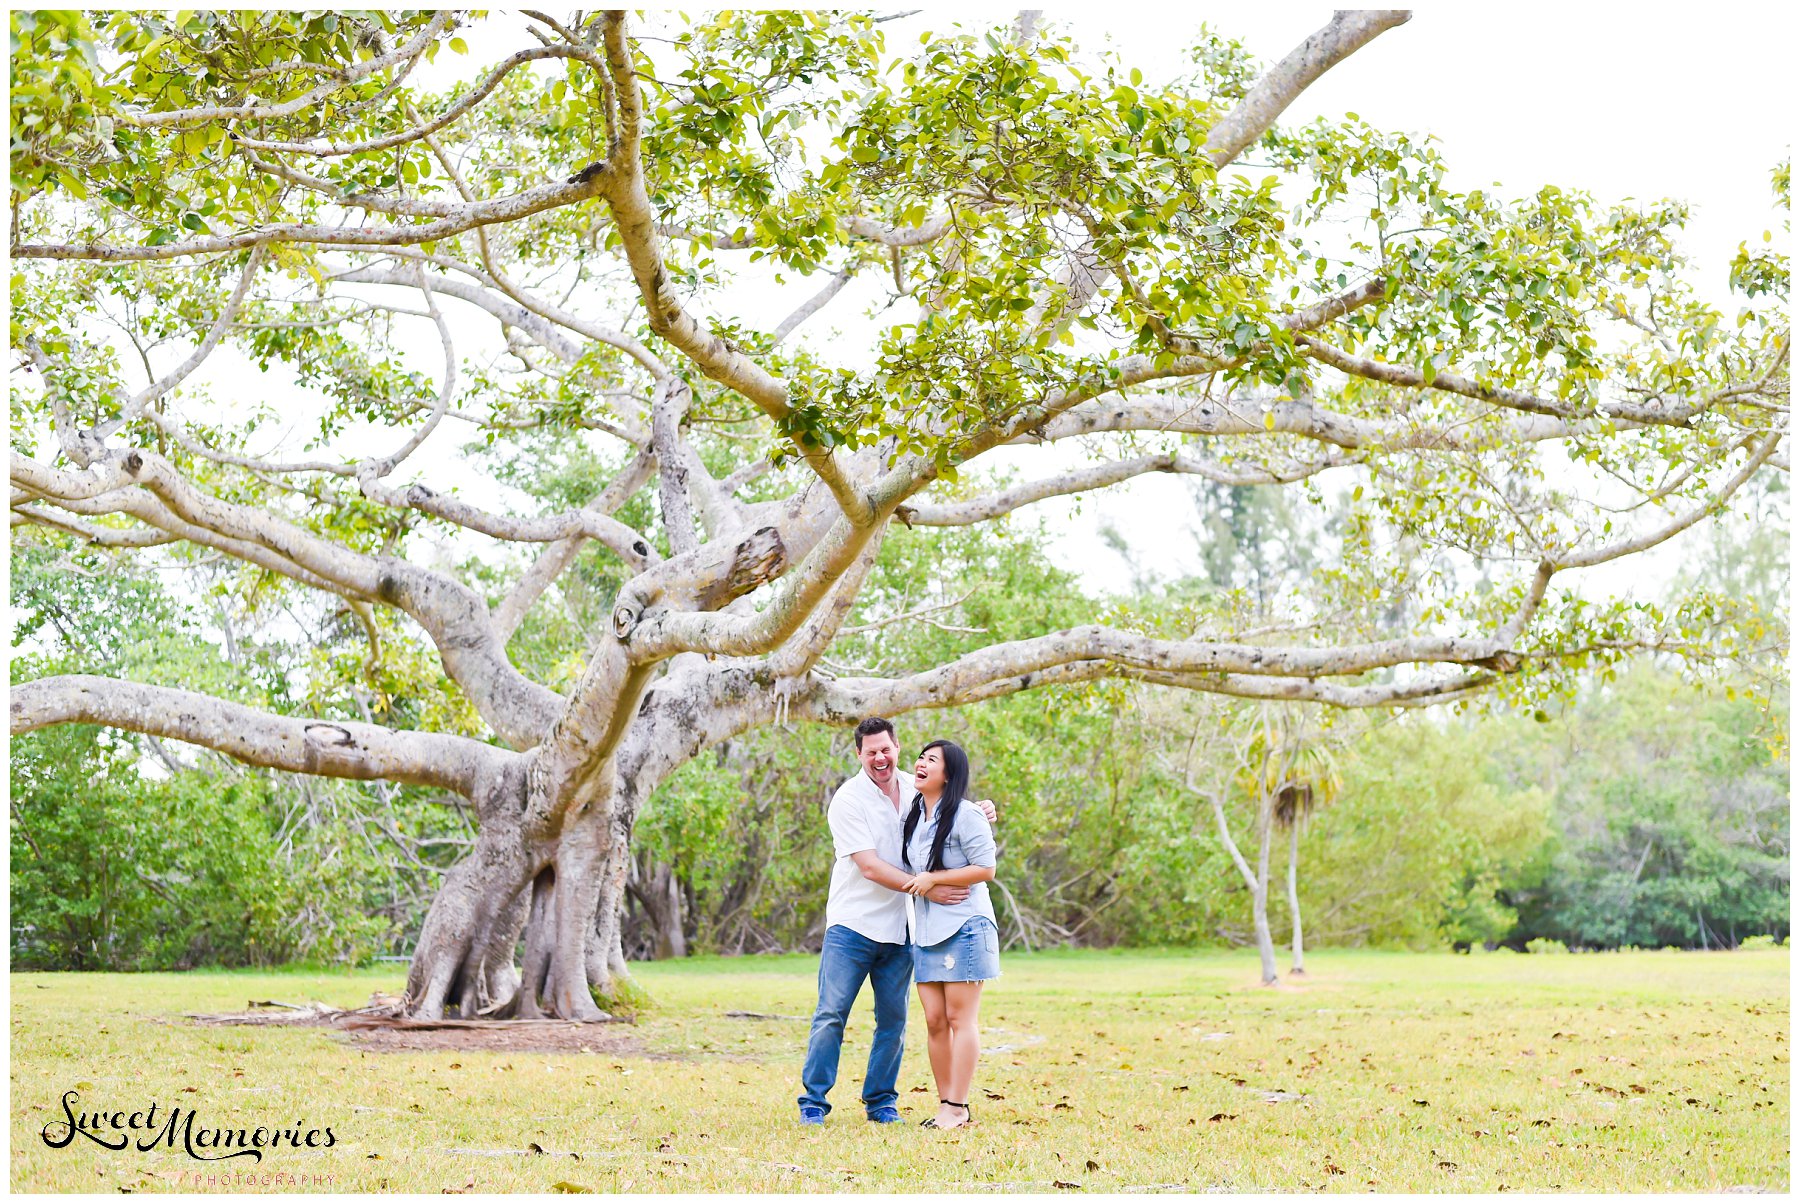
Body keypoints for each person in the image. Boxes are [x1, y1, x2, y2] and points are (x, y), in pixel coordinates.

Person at [797, 717, 995, 1125]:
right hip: (852, 925)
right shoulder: (848, 800)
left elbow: (951, 812)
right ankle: (814, 1102)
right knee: (832, 1014)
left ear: (896, 747)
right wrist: (928, 887)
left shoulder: (914, 788)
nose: (879, 758)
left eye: (885, 749)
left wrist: (981, 809)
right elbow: (869, 867)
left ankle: (881, 1102)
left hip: (904, 928)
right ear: (859, 755)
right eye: (870, 752)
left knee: (894, 1021)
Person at [898, 739, 998, 1130]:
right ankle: (947, 1105)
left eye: (931, 760)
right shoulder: (916, 813)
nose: (921, 764)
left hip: (965, 926)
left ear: (949, 774)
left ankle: (958, 1105)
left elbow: (986, 868)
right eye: (921, 757)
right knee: (935, 1021)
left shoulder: (966, 814)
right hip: (925, 929)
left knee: (960, 1018)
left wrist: (932, 878)